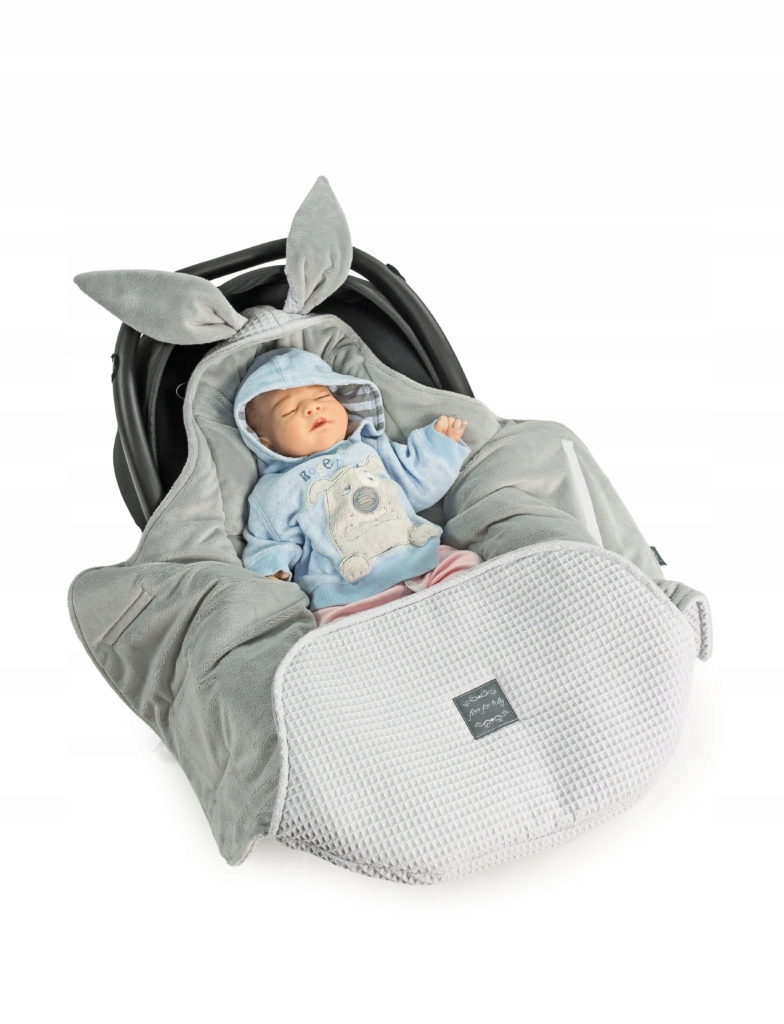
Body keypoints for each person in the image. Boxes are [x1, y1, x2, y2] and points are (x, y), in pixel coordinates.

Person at [233, 347, 482, 625]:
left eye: (321, 397)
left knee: (468, 566)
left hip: (420, 561)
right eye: (288, 410)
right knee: (329, 628)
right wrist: (272, 569)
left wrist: (437, 447)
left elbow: (417, 483)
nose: (312, 408)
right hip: (345, 594)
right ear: (264, 442)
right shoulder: (275, 490)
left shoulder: (368, 446)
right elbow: (269, 540)